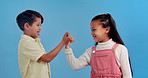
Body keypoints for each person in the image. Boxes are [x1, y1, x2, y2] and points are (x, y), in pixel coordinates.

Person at [64, 13, 132, 78]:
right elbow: (75, 66)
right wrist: (67, 48)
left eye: (94, 29)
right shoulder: (91, 52)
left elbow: (127, 76)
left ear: (107, 29)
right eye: (91, 30)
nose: (91, 33)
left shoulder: (120, 49)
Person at [16, 10, 73, 78]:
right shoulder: (26, 43)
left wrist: (65, 44)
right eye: (38, 25)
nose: (40, 28)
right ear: (27, 26)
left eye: (40, 25)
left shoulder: (34, 42)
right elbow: (47, 58)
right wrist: (63, 42)